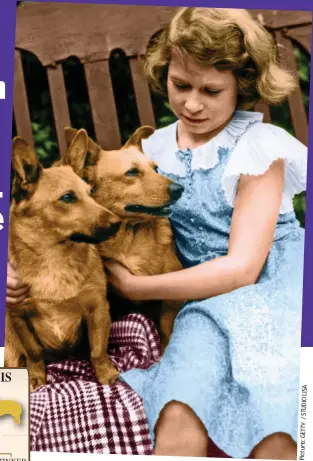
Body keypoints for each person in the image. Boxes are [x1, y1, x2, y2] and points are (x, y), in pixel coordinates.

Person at [7, 7, 307, 460]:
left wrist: (134, 286)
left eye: (211, 90)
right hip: (198, 306)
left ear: (243, 87)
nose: (191, 104)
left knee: (273, 402)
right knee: (177, 410)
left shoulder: (259, 148)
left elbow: (245, 268)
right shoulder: (154, 150)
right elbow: (52, 211)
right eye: (180, 85)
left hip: (271, 287)